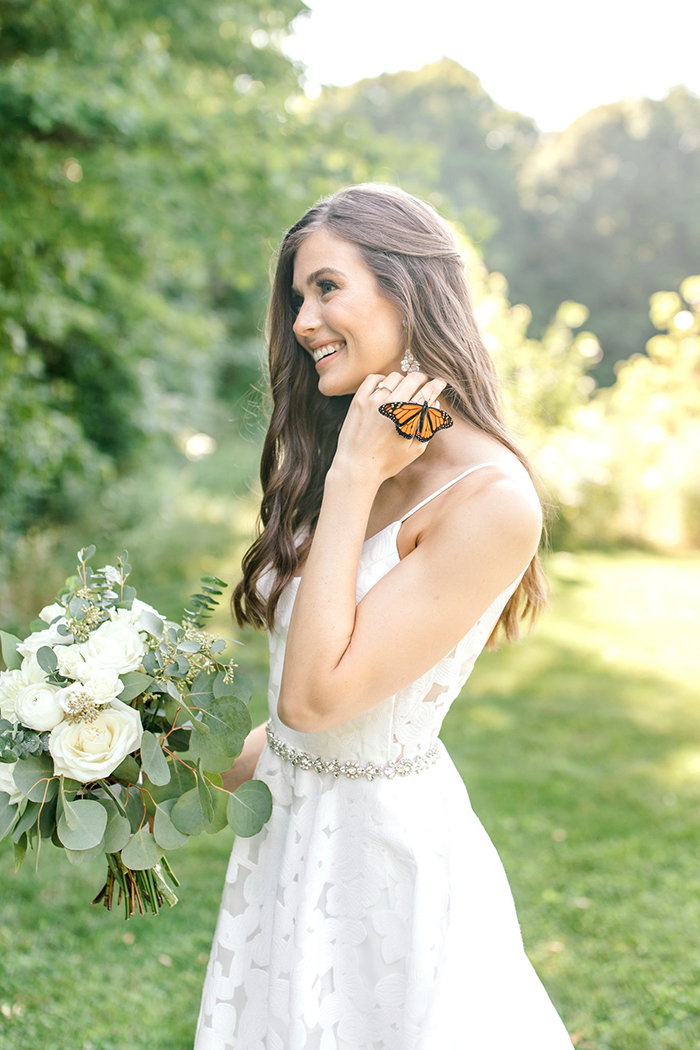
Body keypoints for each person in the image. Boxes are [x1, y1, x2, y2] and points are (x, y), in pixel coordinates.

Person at [194, 183, 575, 1049]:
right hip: (290, 838)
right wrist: (148, 765)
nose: (302, 320)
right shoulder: (362, 453)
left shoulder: (490, 498)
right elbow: (296, 734)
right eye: (298, 297)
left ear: (408, 290)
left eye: (326, 287)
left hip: (385, 868)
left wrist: (353, 477)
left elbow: (318, 701)